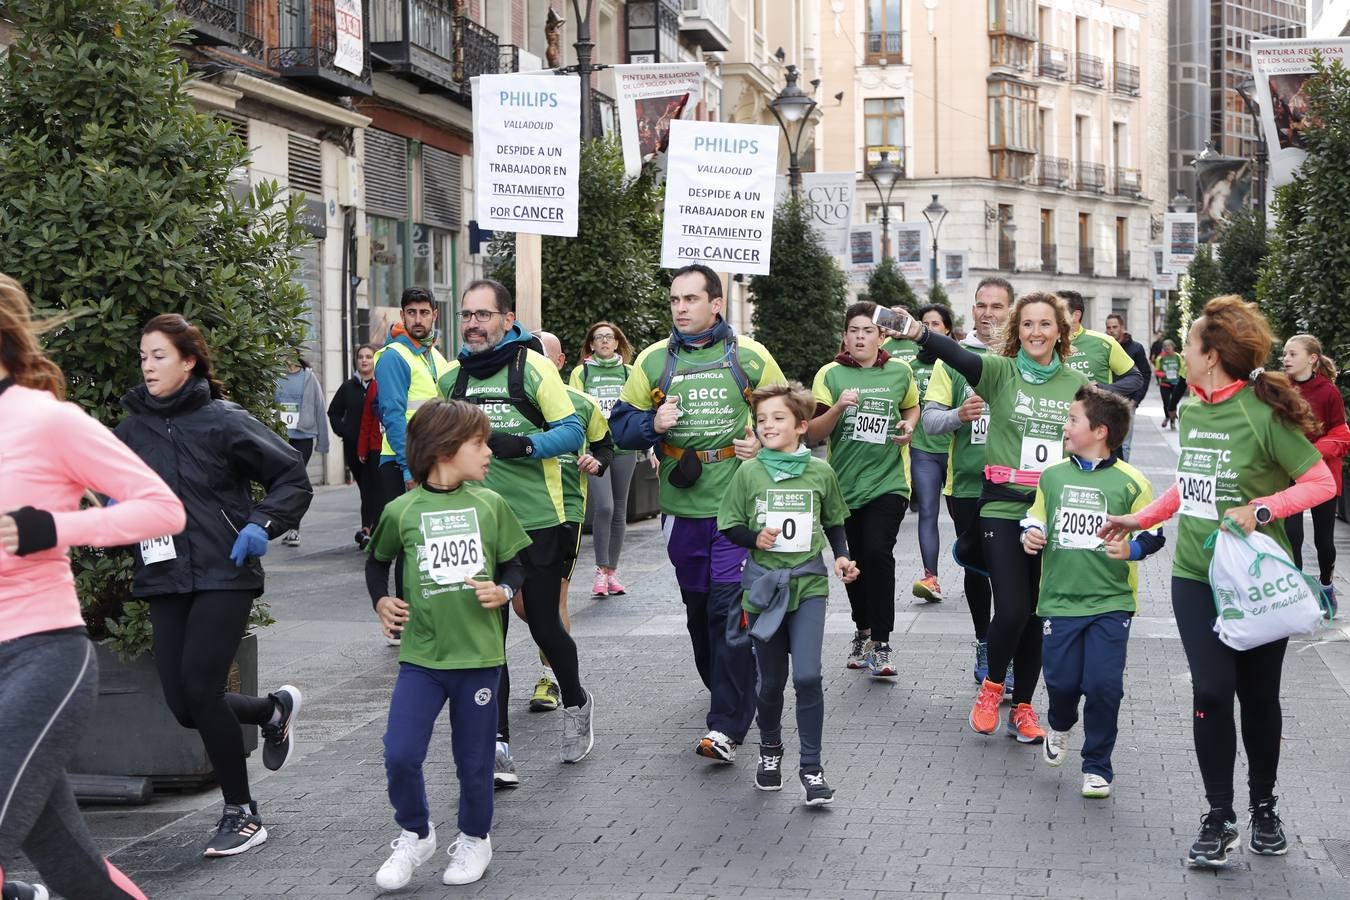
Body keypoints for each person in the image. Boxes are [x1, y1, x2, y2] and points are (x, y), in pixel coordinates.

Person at [1101, 295, 1335, 867]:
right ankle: (1218, 813)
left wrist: (1262, 509)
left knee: (1258, 697)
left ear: (1213, 353)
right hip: (1194, 577)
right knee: (1210, 691)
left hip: (1254, 582)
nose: (1181, 351)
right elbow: (1193, 485)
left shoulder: (1264, 413)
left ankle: (1263, 806)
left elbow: (1321, 481)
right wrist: (1142, 516)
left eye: (1189, 342)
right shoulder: (1197, 410)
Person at [0, 275, 185, 900]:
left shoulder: (48, 422)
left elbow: (163, 510)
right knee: (73, 869)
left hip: (41, 657)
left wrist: (51, 526)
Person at [115, 313, 313, 857]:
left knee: (202, 690)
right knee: (184, 705)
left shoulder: (223, 420)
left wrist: (262, 524)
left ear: (189, 360)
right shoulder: (129, 431)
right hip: (164, 573)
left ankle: (242, 812)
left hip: (225, 569)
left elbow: (290, 476)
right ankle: (272, 711)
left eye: (159, 355)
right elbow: (109, 490)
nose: (148, 365)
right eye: (143, 356)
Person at [610, 263, 786, 764]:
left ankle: (726, 725)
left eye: (691, 299)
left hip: (737, 506)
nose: (681, 308)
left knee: (729, 612)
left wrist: (763, 441)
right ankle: (732, 690)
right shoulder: (652, 361)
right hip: (681, 507)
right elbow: (617, 428)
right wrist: (651, 422)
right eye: (675, 300)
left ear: (716, 303)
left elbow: (787, 415)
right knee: (698, 613)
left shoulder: (748, 357)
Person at [896, 291, 1090, 743]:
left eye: (1045, 324)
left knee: (1039, 614)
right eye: (1027, 325)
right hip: (1002, 507)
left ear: (1060, 331)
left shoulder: (1077, 384)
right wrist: (919, 331)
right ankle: (991, 687)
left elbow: (1092, 442)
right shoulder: (1000, 373)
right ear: (1016, 332)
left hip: (1050, 512)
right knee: (1014, 608)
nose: (1036, 332)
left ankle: (1023, 707)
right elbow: (957, 355)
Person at [366, 400, 530, 890]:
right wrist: (381, 602)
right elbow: (377, 562)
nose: (488, 452)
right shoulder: (402, 510)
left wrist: (502, 591)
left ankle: (476, 838)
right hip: (421, 658)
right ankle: (415, 834)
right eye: (479, 443)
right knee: (399, 752)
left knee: (475, 761)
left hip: (479, 659)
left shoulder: (490, 504)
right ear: (444, 448)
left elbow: (516, 565)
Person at [437, 279, 594, 777]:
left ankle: (576, 702)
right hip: (476, 525)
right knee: (489, 636)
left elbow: (572, 430)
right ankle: (498, 741)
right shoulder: (451, 380)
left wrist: (523, 446)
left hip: (535, 520)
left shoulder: (533, 367)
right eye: (466, 315)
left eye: (484, 315)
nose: (473, 324)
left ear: (507, 319)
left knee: (544, 622)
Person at [1022, 386, 1164, 800]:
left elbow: (1153, 535)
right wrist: (1032, 533)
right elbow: (1037, 518)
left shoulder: (1132, 481)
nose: (1065, 427)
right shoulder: (1052, 476)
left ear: (1100, 431)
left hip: (1111, 601)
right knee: (1063, 682)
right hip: (1059, 600)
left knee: (1104, 685)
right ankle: (1061, 724)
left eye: (1072, 420)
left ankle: (1097, 765)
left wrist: (1131, 548)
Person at [719, 382, 858, 805]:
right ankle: (770, 751)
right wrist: (754, 538)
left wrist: (841, 557)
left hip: (809, 585)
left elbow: (834, 520)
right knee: (771, 682)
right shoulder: (749, 472)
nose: (767, 426)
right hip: (762, 590)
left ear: (801, 426)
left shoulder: (821, 472)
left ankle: (812, 769)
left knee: (808, 675)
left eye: (778, 418)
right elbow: (729, 524)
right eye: (761, 420)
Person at [808, 301, 918, 677]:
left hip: (889, 482)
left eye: (867, 330)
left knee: (877, 553)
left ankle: (883, 643)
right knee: (854, 563)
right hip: (844, 486)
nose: (860, 336)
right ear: (845, 336)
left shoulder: (900, 371)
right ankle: (863, 629)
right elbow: (814, 433)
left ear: (881, 335)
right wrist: (838, 407)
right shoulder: (831, 374)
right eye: (853, 330)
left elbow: (911, 408)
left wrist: (909, 427)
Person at [922, 277, 1013, 685]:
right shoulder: (952, 359)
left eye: (997, 305)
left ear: (1011, 310)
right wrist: (959, 415)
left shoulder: (1023, 359)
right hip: (968, 488)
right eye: (981, 305)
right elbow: (929, 420)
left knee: (1013, 576)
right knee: (978, 571)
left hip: (1018, 488)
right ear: (972, 310)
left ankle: (1008, 652)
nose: (989, 313)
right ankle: (983, 642)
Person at [535, 331, 613, 711]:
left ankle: (550, 680)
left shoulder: (582, 403)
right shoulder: (514, 400)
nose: (534, 364)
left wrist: (596, 461)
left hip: (566, 510)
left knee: (554, 598)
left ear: (561, 362)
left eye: (543, 357)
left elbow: (604, 445)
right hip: (511, 509)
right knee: (523, 605)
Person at [374, 287, 455, 625]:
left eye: (424, 312)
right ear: (402, 316)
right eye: (411, 312)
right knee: (409, 544)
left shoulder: (436, 357)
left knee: (429, 540)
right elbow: (392, 415)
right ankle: (403, 620)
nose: (418, 319)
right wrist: (409, 469)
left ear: (435, 315)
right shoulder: (395, 355)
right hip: (400, 463)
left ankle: (425, 612)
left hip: (432, 460)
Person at [569, 321, 640, 597]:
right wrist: (580, 450)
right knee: (604, 508)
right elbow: (574, 410)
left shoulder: (629, 372)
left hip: (624, 447)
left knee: (620, 510)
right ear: (591, 345)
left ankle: (612, 572)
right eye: (599, 338)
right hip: (595, 449)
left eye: (609, 337)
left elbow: (638, 407)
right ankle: (600, 570)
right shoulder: (581, 372)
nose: (605, 342)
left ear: (617, 341)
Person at [1282, 334, 1349, 615]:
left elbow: (1342, 433)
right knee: (1291, 535)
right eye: (1284, 353)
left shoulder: (1328, 392)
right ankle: (1297, 593)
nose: (1285, 358)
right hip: (1287, 472)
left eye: (1292, 354)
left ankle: (1325, 585)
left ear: (1312, 358)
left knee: (1324, 541)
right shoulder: (1278, 388)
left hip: (1322, 474)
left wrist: (1315, 452)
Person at [906, 303, 955, 601]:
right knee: (927, 511)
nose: (930, 329)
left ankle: (980, 573)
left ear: (947, 329)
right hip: (924, 450)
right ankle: (931, 577)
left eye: (936, 324)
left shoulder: (960, 363)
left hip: (956, 451)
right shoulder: (909, 367)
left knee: (966, 518)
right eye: (925, 323)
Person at [274, 353, 329, 547]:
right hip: (280, 436)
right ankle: (279, 523)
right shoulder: (275, 376)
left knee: (294, 481)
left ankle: (293, 529)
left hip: (303, 437)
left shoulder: (309, 377)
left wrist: (324, 441)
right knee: (280, 481)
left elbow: (320, 408)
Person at [327, 343, 377, 548]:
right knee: (365, 487)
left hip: (375, 447)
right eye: (360, 357)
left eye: (368, 356)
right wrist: (346, 432)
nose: (364, 360)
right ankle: (369, 529)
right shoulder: (348, 387)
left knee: (372, 487)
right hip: (354, 448)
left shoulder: (380, 384)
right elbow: (334, 412)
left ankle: (369, 528)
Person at [1057, 291, 1143, 390]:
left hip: (1095, 404)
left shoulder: (1104, 342)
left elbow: (1135, 378)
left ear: (1076, 315)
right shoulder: (1045, 343)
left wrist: (1101, 390)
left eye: (1058, 312)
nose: (1051, 315)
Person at [1104, 314, 1152, 461]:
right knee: (1106, 441)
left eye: (1115, 327)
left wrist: (1136, 400)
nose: (1111, 330)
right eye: (1108, 327)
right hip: (1106, 401)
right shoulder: (1104, 347)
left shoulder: (1136, 348)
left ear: (1122, 328)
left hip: (1127, 402)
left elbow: (1145, 373)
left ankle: (1124, 474)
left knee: (1124, 443)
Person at [1154, 339, 1185, 429]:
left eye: (1169, 346)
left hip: (1176, 383)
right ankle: (1167, 417)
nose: (1167, 348)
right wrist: (1163, 374)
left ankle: (1172, 422)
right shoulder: (1160, 358)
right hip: (1165, 384)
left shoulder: (1178, 357)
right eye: (1165, 347)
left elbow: (1182, 368)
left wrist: (1178, 375)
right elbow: (1156, 371)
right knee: (1166, 403)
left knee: (1173, 403)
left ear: (1173, 347)